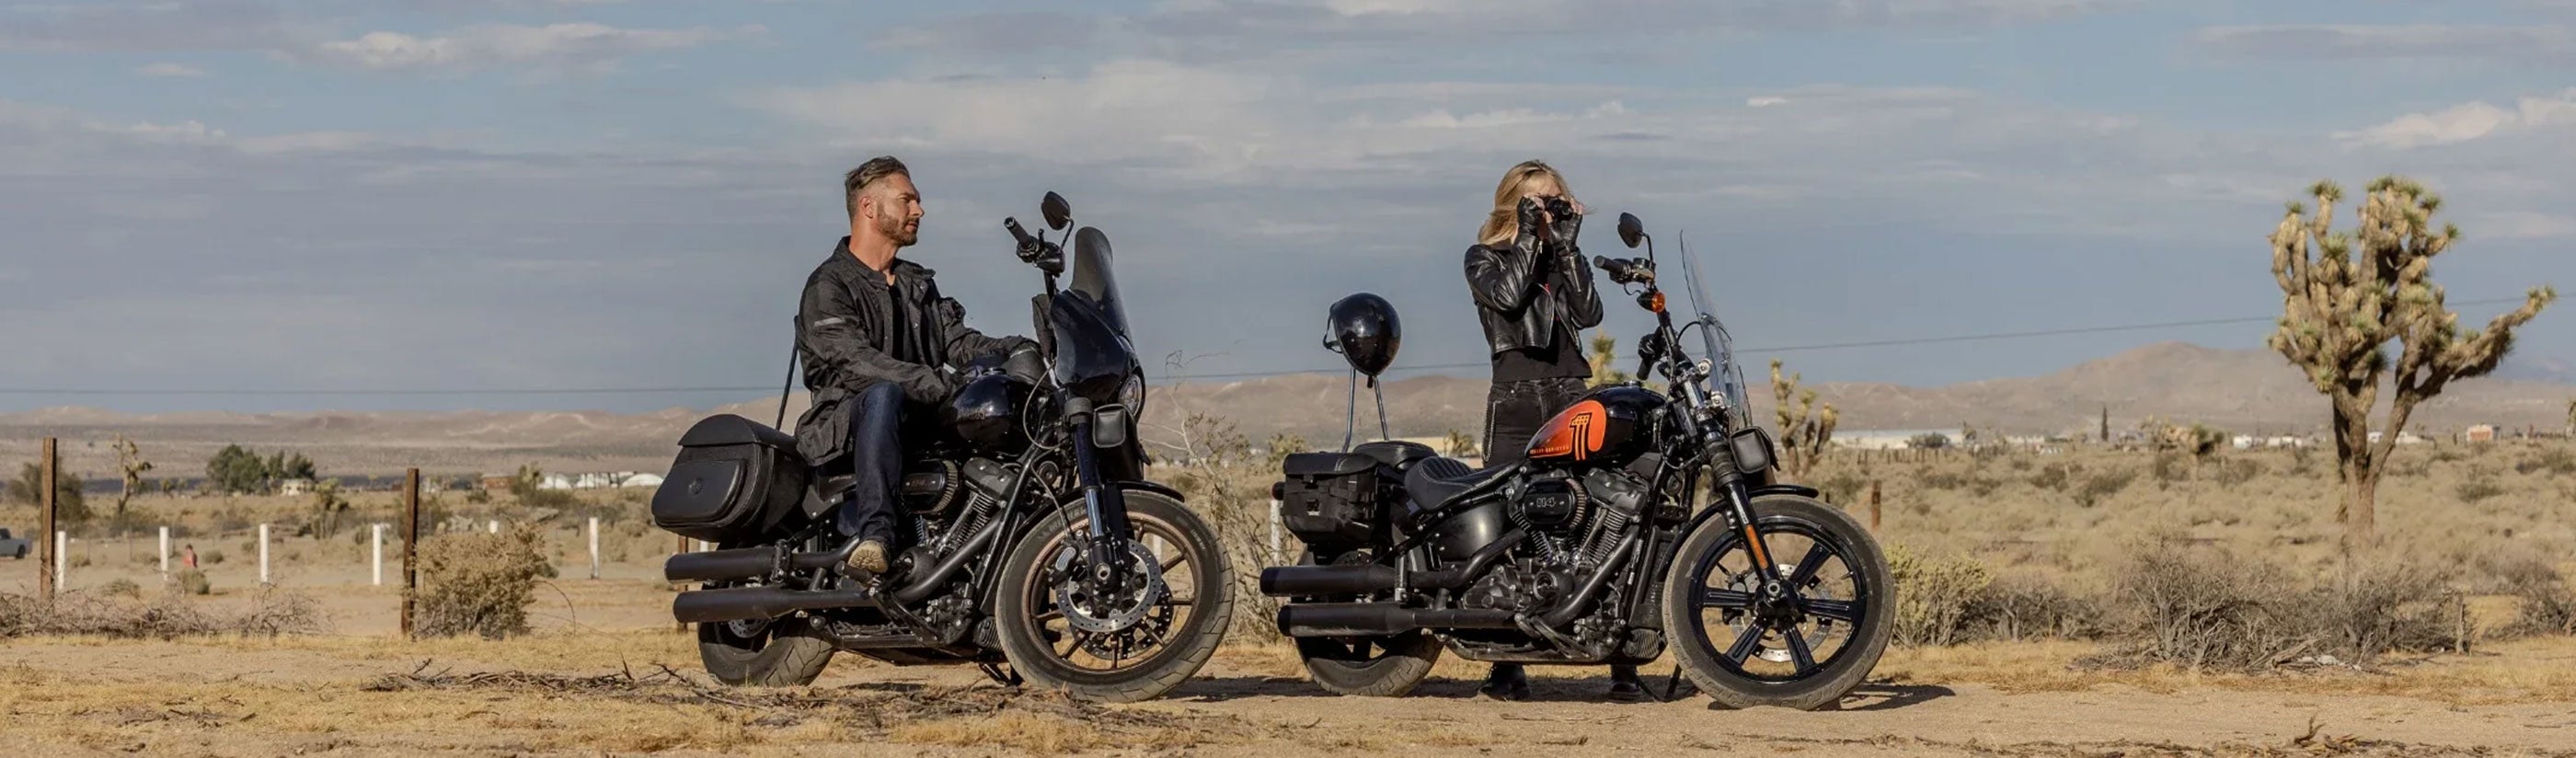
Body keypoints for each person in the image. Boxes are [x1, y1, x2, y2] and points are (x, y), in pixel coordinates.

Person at [1460, 159, 1648, 702]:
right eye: (1539, 201)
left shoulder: (1561, 255)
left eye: (1557, 199)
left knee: (1598, 520)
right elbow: (1508, 298)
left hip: (1570, 394)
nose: (1550, 210)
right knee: (1505, 526)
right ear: (1515, 204)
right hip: (1516, 402)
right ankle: (1505, 665)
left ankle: (1621, 660)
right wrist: (1527, 235)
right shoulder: (1483, 257)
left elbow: (1589, 315)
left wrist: (1566, 246)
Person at [792, 155, 1030, 576]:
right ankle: (876, 537)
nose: (919, 210)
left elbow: (959, 343)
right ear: (869, 207)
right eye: (907, 200)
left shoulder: (915, 283)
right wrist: (934, 382)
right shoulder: (829, 286)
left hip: (915, 420)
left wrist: (1020, 348)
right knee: (882, 394)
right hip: (845, 429)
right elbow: (856, 363)